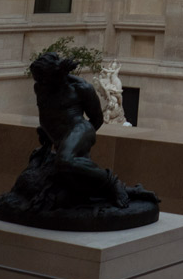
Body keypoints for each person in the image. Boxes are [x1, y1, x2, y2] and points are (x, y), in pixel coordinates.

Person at [30, 52, 129, 206]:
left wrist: (78, 141)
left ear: (57, 75)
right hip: (60, 138)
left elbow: (97, 119)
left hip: (80, 129)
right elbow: (49, 114)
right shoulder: (40, 87)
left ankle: (113, 182)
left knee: (64, 161)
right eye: (39, 79)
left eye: (44, 79)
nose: (42, 83)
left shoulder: (81, 88)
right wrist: (48, 134)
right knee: (69, 185)